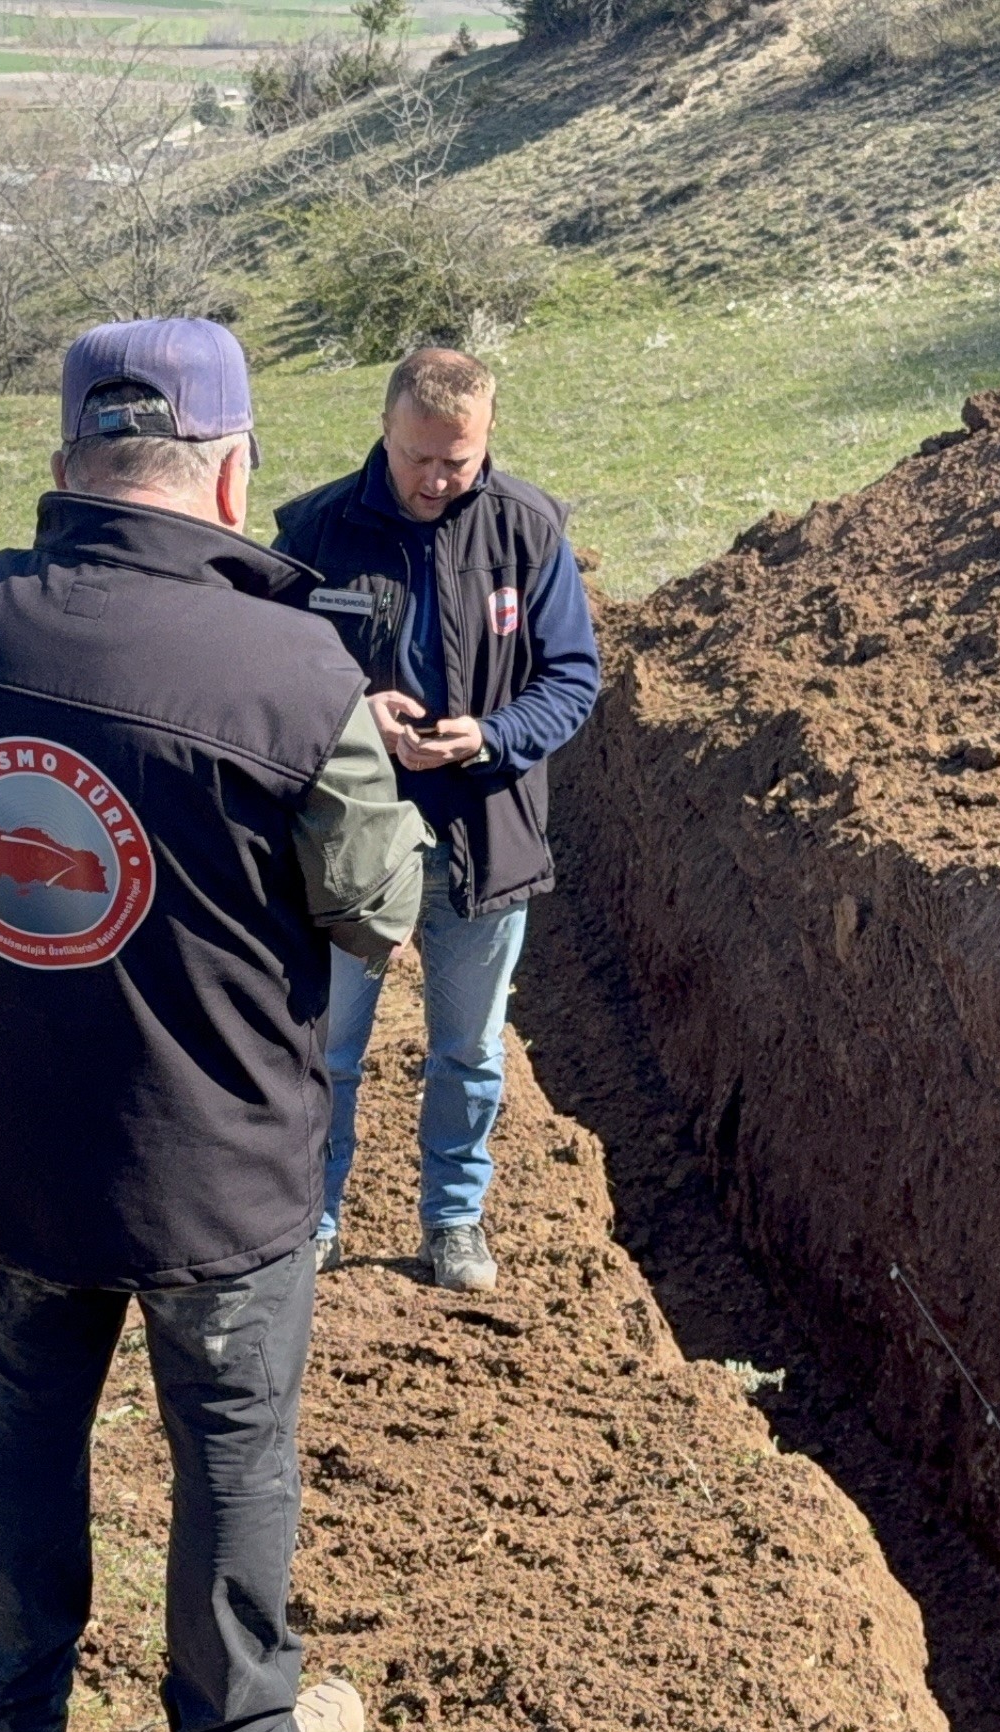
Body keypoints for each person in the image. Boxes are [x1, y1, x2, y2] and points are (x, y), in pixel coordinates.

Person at [0, 318, 427, 1732]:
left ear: (64, 465)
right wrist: (350, 761)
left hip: (20, 1146)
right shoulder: (301, 672)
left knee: (23, 1425)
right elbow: (377, 909)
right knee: (232, 1447)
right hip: (216, 1165)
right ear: (234, 471)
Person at [272, 346, 601, 1294]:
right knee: (325, 1049)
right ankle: (312, 1218)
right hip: (349, 840)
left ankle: (454, 1221)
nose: (434, 478)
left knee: (468, 1051)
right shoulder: (316, 532)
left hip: (482, 834)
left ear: (487, 437)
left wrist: (491, 737)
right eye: (419, 455)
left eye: (456, 461)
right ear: (386, 428)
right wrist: (352, 717)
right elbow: (271, 681)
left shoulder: (529, 531)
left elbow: (573, 677)